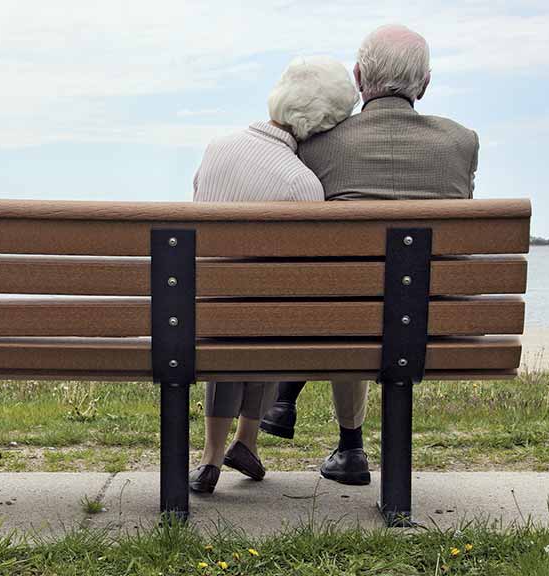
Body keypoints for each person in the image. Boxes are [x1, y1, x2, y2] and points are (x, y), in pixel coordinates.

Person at [260, 24, 480, 486]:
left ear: (359, 78)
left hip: (348, 318)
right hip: (439, 325)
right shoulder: (461, 142)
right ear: (425, 83)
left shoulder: (320, 144)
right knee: (382, 298)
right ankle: (348, 447)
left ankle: (350, 445)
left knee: (355, 296)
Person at [189, 56, 359, 494]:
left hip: (205, 313)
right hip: (265, 324)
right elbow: (303, 276)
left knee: (233, 311)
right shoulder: (302, 185)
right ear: (325, 126)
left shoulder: (217, 148)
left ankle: (211, 455)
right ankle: (245, 440)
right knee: (270, 312)